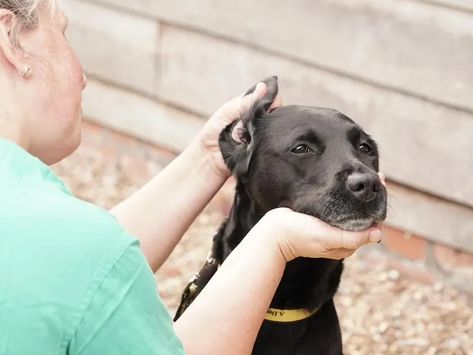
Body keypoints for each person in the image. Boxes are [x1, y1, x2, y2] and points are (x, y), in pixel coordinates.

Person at [0, 1, 383, 354]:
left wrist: (209, 159)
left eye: (364, 149)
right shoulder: (72, 236)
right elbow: (85, 257)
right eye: (63, 33)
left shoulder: (32, 222)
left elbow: (77, 269)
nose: (83, 75)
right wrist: (275, 241)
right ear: (12, 43)